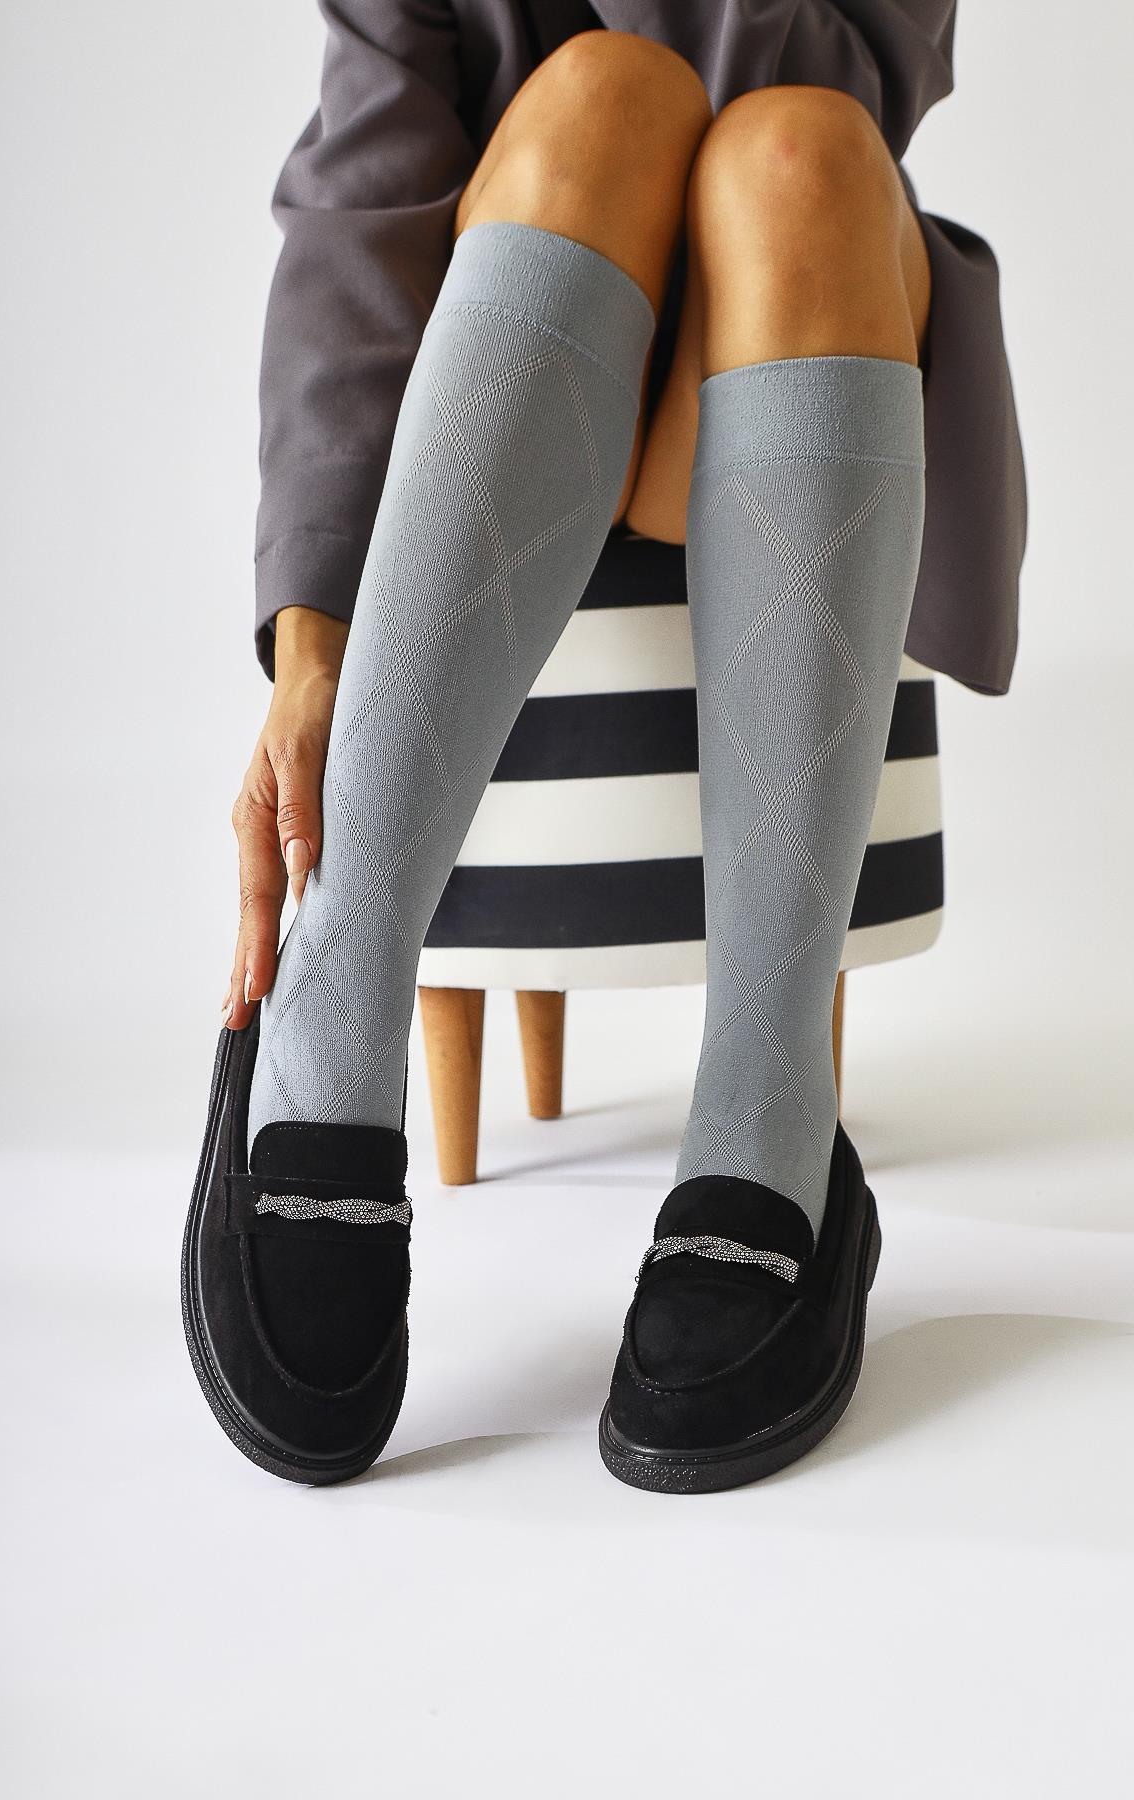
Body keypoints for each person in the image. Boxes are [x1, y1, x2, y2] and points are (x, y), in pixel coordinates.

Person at [180, 1, 1025, 1491]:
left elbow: (832, 84)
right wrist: (310, 639)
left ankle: (770, 1094)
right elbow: (361, 200)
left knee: (798, 148)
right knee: (600, 96)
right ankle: (338, 984)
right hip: (527, 331)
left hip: (784, 320)